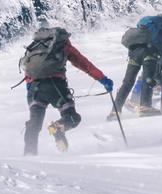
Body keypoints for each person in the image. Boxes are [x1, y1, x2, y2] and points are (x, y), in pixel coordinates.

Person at [19, 26, 112, 155]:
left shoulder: (34, 47)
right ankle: (59, 127)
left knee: (34, 124)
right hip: (56, 87)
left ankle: (29, 155)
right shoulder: (62, 45)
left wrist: (31, 91)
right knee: (72, 117)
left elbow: (28, 70)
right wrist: (103, 79)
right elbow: (84, 64)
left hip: (34, 89)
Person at [110, 8, 162, 118]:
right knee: (148, 79)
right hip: (149, 53)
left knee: (127, 82)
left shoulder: (148, 20)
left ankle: (115, 111)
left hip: (134, 51)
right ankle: (145, 106)